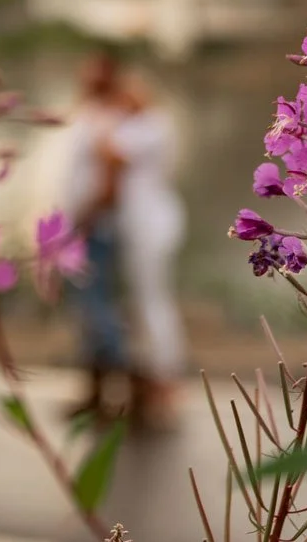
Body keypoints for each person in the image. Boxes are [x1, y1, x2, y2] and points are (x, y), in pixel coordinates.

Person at [96, 72, 188, 431]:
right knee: (142, 301)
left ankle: (164, 375)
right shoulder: (144, 126)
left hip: (151, 225)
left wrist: (104, 119)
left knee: (153, 301)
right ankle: (149, 376)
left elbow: (108, 151)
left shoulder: (151, 125)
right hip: (139, 225)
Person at [58, 49, 131, 421]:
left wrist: (82, 221)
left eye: (96, 70)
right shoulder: (86, 115)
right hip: (80, 226)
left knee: (97, 309)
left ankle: (124, 392)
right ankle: (95, 394)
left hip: (94, 228)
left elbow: (110, 183)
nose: (88, 75)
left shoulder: (110, 119)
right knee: (87, 310)